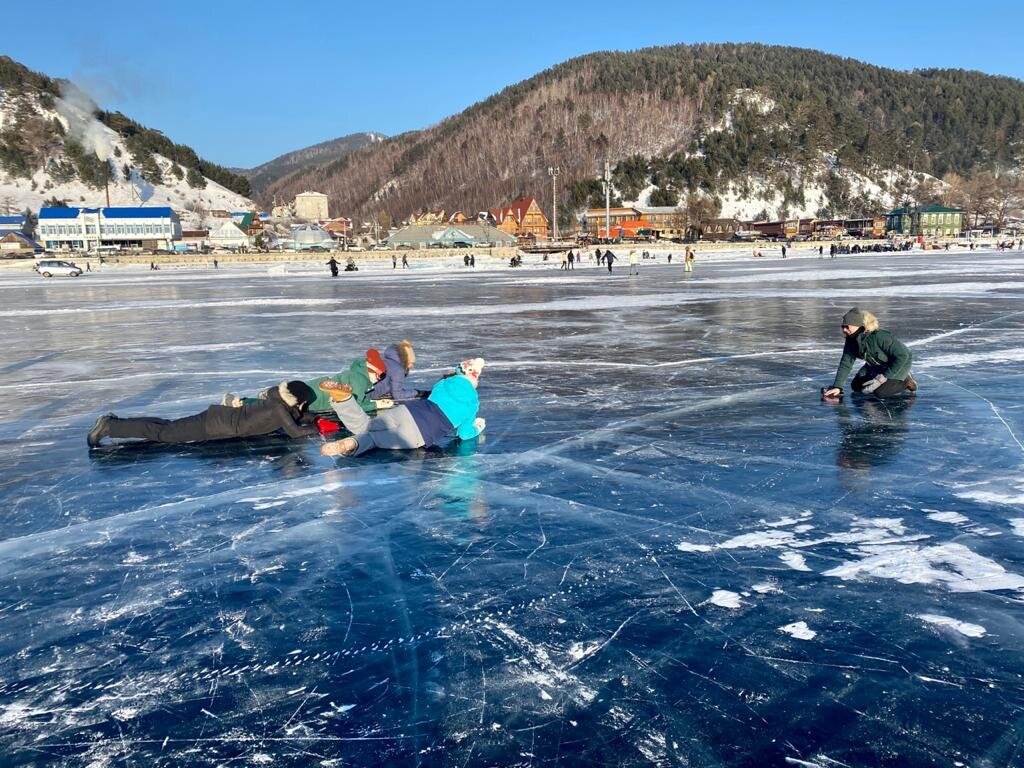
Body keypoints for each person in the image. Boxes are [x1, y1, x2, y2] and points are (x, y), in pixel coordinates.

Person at [320, 358, 487, 457]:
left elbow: (435, 393)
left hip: (409, 411)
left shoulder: (444, 384)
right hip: (419, 433)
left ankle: (343, 400)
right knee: (374, 439)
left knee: (368, 426)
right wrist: (478, 426)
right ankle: (351, 444)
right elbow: (465, 435)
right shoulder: (472, 403)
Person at [87, 380, 318, 448]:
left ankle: (116, 423)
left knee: (166, 426)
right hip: (213, 426)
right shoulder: (279, 409)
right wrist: (319, 428)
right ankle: (110, 427)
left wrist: (312, 418)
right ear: (297, 401)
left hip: (217, 419)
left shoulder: (275, 400)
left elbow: (294, 419)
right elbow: (295, 432)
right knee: (164, 432)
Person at [225, 349, 390, 416]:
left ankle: (268, 394)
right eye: (381, 375)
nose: (379, 379)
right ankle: (242, 403)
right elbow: (355, 404)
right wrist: (377, 405)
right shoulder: (360, 380)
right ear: (373, 371)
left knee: (285, 398)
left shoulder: (354, 372)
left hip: (314, 386)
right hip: (318, 398)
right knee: (284, 406)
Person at [822, 308, 917, 400]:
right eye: (843, 327)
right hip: (876, 365)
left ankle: (907, 381)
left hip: (898, 364)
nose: (844, 330)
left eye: (847, 326)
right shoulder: (850, 340)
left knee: (880, 392)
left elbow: (903, 355)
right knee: (856, 386)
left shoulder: (880, 336)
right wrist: (838, 387)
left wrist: (883, 378)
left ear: (858, 325)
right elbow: (846, 363)